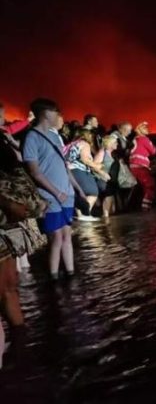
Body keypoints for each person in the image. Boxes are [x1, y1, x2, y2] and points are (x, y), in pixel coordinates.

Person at [23, 98, 87, 280]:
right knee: (56, 237)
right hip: (50, 196)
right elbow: (34, 172)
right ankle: (53, 276)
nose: (58, 116)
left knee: (66, 235)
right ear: (46, 114)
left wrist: (77, 189)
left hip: (66, 193)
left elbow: (64, 166)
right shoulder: (32, 138)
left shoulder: (54, 137)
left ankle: (70, 273)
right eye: (55, 112)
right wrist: (56, 192)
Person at [1, 130, 48, 366]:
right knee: (9, 292)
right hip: (7, 236)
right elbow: (30, 207)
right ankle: (20, 352)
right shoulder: (10, 162)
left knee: (8, 291)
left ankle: (16, 354)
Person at [64, 128, 109, 221]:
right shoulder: (84, 144)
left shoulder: (70, 145)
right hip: (79, 170)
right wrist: (99, 168)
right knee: (92, 192)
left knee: (80, 193)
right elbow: (85, 159)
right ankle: (85, 214)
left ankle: (80, 215)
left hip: (68, 171)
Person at [129, 122, 156, 210]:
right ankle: (146, 206)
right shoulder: (144, 139)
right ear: (140, 130)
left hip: (133, 166)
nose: (147, 129)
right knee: (150, 185)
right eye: (145, 128)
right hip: (141, 166)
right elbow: (153, 151)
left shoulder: (135, 139)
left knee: (141, 187)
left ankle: (139, 206)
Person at [94, 135, 119, 217]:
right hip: (102, 179)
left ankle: (106, 213)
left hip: (110, 180)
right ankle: (105, 214)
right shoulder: (102, 152)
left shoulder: (112, 154)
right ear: (109, 143)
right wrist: (103, 173)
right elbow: (94, 166)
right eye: (115, 142)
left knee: (112, 207)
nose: (117, 144)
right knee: (109, 192)